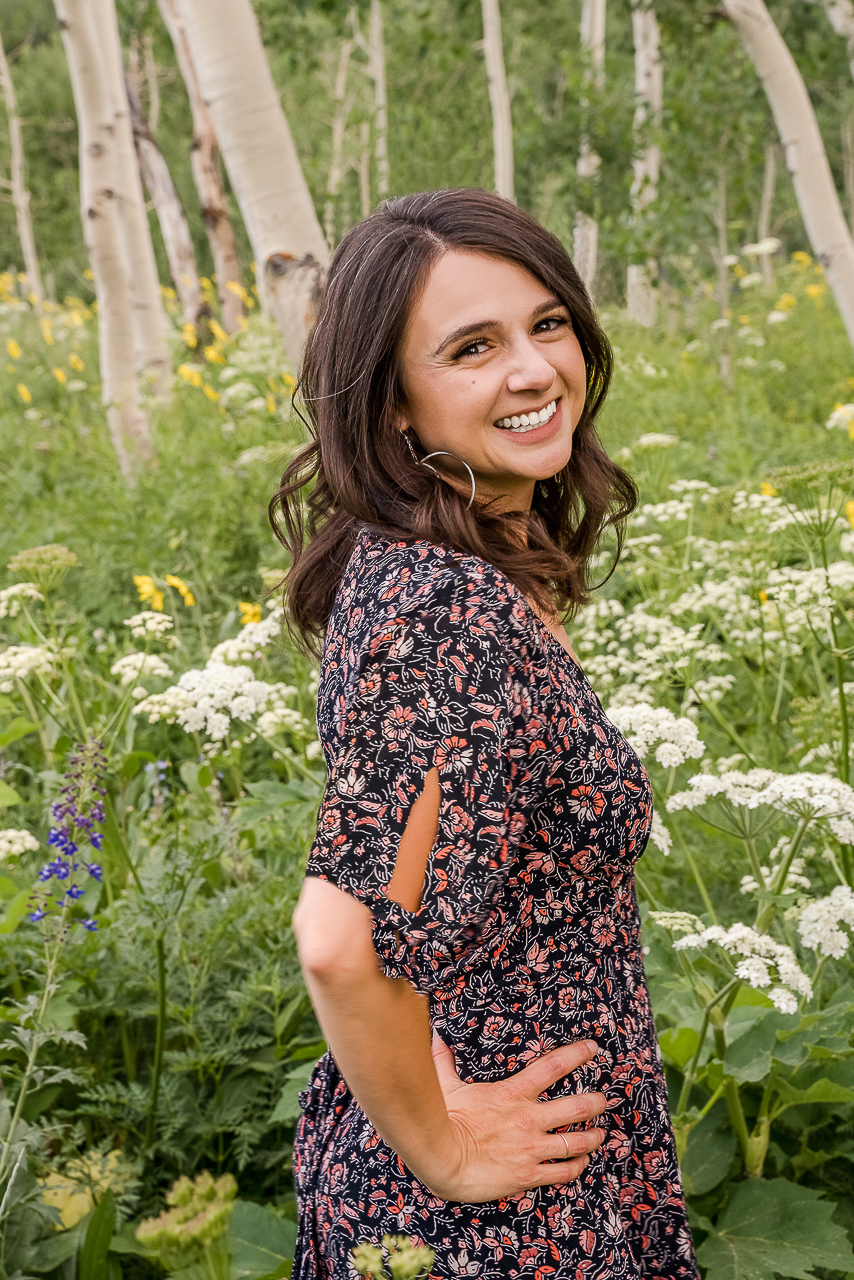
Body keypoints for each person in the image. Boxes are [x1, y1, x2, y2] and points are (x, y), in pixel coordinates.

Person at [270, 188, 698, 1280]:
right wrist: (446, 1151)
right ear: (394, 408)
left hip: (532, 1149)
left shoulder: (457, 568)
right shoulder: (441, 610)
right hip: (499, 1214)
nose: (532, 369)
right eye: (472, 346)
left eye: (545, 323)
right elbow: (339, 936)